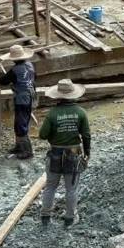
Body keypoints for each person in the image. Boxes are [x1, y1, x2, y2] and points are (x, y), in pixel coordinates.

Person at [38, 80, 92, 229]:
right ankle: (69, 218)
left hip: (54, 154)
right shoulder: (80, 112)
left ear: (58, 96)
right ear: (73, 94)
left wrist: (55, 135)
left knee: (50, 186)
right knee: (71, 189)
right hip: (73, 155)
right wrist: (87, 153)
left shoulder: (52, 114)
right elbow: (86, 135)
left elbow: (42, 135)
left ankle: (45, 217)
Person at [0, 44, 36, 159]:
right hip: (31, 96)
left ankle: (27, 151)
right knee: (21, 123)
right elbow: (34, 79)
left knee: (20, 124)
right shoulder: (30, 65)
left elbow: (3, 81)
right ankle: (19, 147)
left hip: (22, 99)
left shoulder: (15, 70)